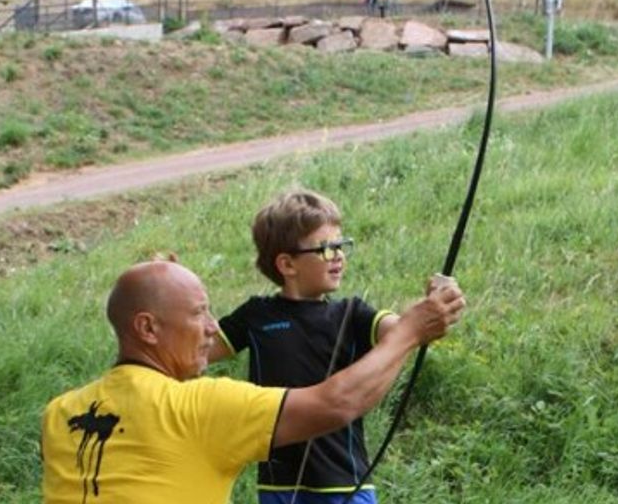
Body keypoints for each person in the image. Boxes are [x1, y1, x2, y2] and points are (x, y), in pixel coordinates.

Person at [41, 255, 465, 504]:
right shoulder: (200, 408)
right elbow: (335, 404)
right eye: (197, 313)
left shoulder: (58, 414)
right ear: (148, 329)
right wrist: (410, 332)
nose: (211, 327)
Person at [210, 191, 437, 504]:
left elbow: (407, 331)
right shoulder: (255, 316)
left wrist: (435, 305)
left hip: (345, 484)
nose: (340, 256)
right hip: (280, 488)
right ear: (287, 264)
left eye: (342, 246)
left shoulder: (351, 314)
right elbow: (197, 350)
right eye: (327, 249)